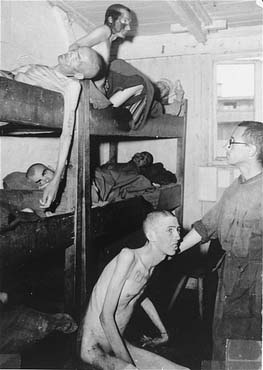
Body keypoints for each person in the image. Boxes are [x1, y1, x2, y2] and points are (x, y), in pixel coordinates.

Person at [179, 121, 263, 364]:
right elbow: (207, 225)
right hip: (230, 276)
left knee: (249, 346)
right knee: (223, 338)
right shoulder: (234, 188)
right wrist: (171, 252)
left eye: (232, 142)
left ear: (251, 150)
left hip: (257, 283)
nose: (226, 147)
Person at [79, 211, 188, 370]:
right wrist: (128, 364)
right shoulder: (128, 257)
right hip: (94, 348)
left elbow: (139, 296)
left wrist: (164, 333)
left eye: (178, 230)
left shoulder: (152, 265)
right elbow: (105, 316)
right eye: (169, 230)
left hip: (119, 341)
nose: (178, 236)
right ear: (151, 235)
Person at [10, 46, 103, 209]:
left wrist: (55, 181)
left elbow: (67, 134)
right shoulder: (45, 69)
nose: (72, 54)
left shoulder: (72, 86)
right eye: (76, 51)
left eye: (78, 59)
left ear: (79, 74)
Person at [69, 3, 144, 113]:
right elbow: (74, 47)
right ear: (110, 19)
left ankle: (109, 110)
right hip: (89, 91)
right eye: (125, 21)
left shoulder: (110, 40)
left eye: (129, 23)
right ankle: (108, 110)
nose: (128, 27)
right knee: (139, 82)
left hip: (98, 95)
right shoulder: (104, 31)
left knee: (140, 84)